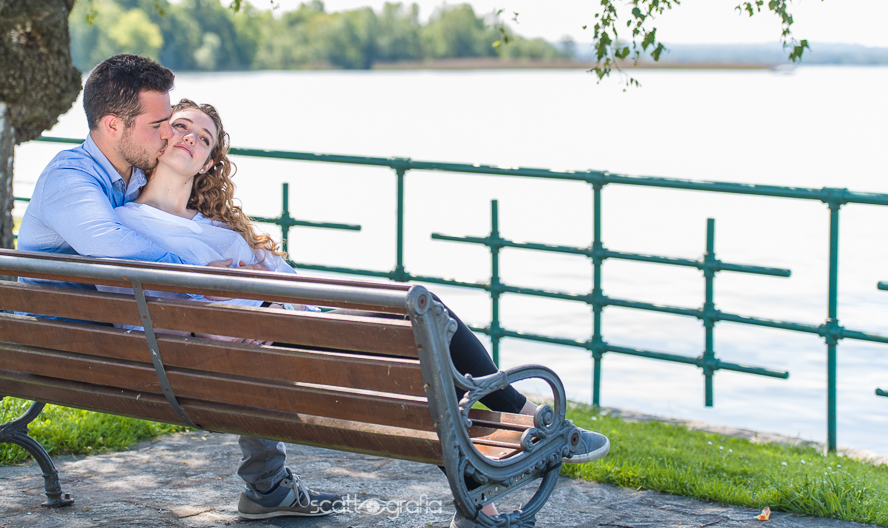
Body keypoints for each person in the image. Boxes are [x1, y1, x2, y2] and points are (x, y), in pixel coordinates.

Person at [121, 96, 611, 526]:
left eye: (203, 138)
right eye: (180, 126)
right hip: (262, 352)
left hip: (278, 343)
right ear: (160, 140)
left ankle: (506, 446)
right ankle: (527, 423)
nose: (190, 137)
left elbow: (295, 286)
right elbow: (144, 309)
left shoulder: (222, 232)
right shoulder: (124, 225)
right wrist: (231, 301)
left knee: (417, 333)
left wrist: (254, 293)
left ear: (208, 163)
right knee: (420, 327)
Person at [17, 54, 341, 520]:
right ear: (113, 125)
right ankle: (268, 485)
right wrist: (211, 280)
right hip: (86, 348)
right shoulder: (73, 179)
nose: (169, 134)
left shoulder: (127, 180)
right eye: (160, 125)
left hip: (130, 336)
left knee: (235, 334)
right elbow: (110, 246)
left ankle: (268, 485)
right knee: (236, 334)